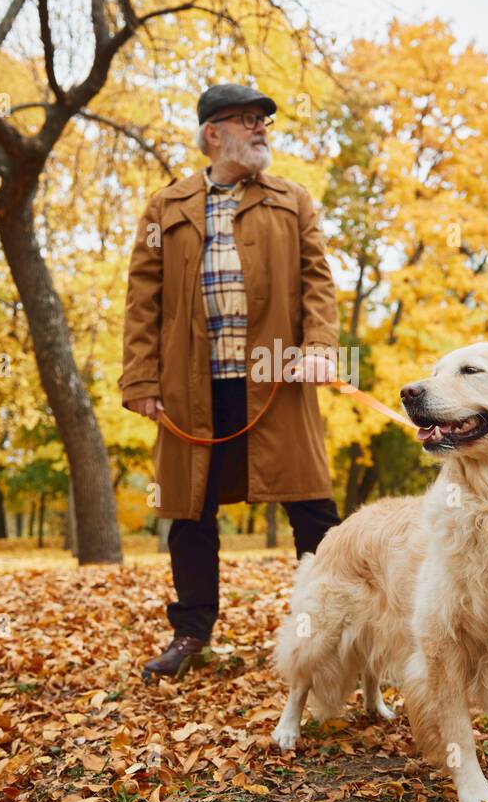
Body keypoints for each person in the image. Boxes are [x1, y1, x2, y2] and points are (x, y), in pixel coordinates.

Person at [118, 83, 342, 680]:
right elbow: (142, 300)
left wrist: (319, 346)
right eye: (248, 120)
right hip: (191, 386)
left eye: (264, 120)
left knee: (313, 507)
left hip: (275, 378)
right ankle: (191, 633)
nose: (262, 128)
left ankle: (333, 629)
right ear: (214, 133)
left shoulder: (293, 200)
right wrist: (140, 377)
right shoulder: (165, 207)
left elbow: (318, 281)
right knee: (189, 515)